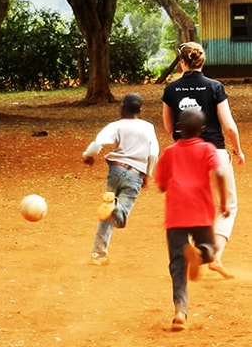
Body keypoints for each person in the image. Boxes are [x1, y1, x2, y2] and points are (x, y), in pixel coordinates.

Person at [162, 42, 245, 279]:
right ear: (201, 61)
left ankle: (195, 247)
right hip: (214, 153)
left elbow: (169, 127)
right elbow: (228, 125)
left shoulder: (171, 89)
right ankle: (214, 255)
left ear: (182, 62)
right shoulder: (215, 87)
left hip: (183, 154)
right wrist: (237, 151)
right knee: (227, 206)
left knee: (192, 205)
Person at [155, 108, 229, 331]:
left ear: (179, 129)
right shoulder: (208, 148)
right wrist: (224, 201)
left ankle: (180, 311)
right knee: (210, 247)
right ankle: (201, 253)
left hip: (176, 213)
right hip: (201, 211)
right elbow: (220, 173)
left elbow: (161, 185)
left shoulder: (169, 152)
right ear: (202, 130)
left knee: (178, 265)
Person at [82, 93, 159, 265]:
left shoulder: (115, 126)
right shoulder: (148, 127)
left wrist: (89, 155)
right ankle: (117, 208)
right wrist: (148, 173)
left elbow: (98, 143)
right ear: (140, 109)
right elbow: (153, 153)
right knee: (119, 217)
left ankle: (98, 254)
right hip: (135, 175)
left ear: (122, 107)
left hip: (116, 170)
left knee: (107, 215)